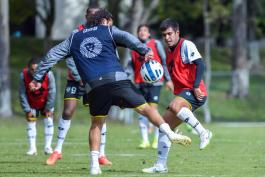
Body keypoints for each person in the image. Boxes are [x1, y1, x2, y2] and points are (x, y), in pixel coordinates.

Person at [29, 9, 191, 175]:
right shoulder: (107, 30)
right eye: (110, 21)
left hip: (94, 88)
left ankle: (94, 165)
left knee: (96, 124)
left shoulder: (74, 37)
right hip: (117, 80)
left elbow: (51, 56)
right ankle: (169, 132)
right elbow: (127, 38)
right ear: (104, 20)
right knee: (146, 109)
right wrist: (144, 50)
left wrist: (37, 78)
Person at [142, 18, 213, 174]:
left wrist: (195, 86)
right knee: (163, 127)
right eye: (164, 35)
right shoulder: (169, 52)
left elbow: (200, 64)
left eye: (169, 34)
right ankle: (161, 165)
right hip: (183, 93)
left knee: (175, 106)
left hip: (195, 91)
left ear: (177, 32)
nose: (167, 38)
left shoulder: (186, 45)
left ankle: (203, 132)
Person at [46, 58, 112, 166]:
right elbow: (69, 59)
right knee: (67, 112)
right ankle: (57, 151)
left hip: (94, 80)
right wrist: (79, 77)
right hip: (74, 81)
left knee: (99, 115)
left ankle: (101, 155)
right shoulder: (74, 40)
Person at [127, 24, 172, 149]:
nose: (142, 32)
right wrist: (127, 77)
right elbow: (130, 65)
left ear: (149, 34)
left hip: (155, 83)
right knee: (142, 112)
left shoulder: (155, 43)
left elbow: (163, 61)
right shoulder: (133, 47)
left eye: (145, 30)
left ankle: (156, 140)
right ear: (137, 33)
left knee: (153, 111)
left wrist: (168, 79)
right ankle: (145, 140)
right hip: (140, 83)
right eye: (140, 30)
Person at [19, 57, 55, 156]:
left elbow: (52, 92)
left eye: (37, 70)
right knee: (31, 123)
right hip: (31, 104)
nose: (34, 72)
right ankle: (32, 149)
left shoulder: (49, 74)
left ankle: (48, 147)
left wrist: (48, 108)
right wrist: (27, 109)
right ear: (28, 69)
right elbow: (22, 94)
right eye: (32, 70)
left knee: (48, 121)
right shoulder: (24, 75)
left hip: (46, 103)